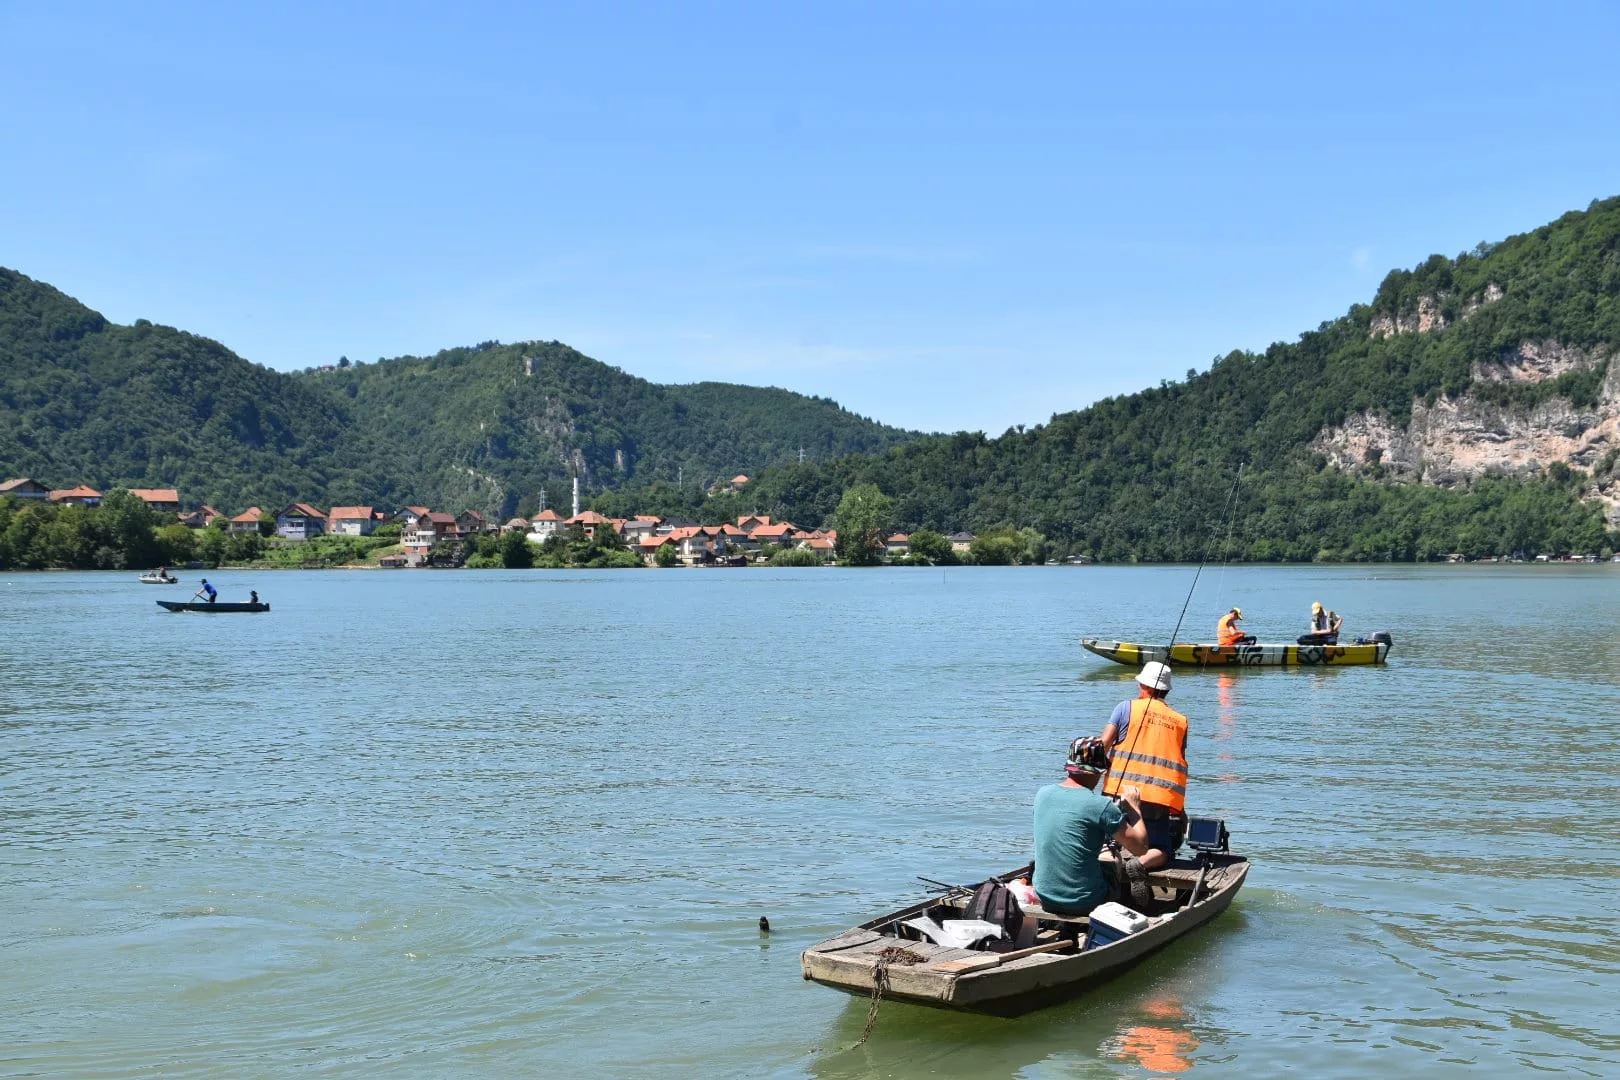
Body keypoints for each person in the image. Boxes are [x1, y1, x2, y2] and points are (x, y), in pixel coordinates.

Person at [1032, 736, 1149, 916]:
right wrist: (1134, 808)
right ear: (1098, 771)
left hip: (1045, 897)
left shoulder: (1042, 794)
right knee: (1113, 860)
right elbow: (1140, 848)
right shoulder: (1100, 806)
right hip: (1085, 901)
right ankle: (1133, 907)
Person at [1099, 661, 1190, 873]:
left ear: (1145, 686)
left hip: (1119, 793)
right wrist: (1181, 810)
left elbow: (1101, 747)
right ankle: (1139, 865)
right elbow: (1177, 766)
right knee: (1161, 849)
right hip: (1158, 798)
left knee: (1107, 843)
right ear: (1165, 691)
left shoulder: (1125, 708)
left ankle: (1109, 868)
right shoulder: (1181, 721)